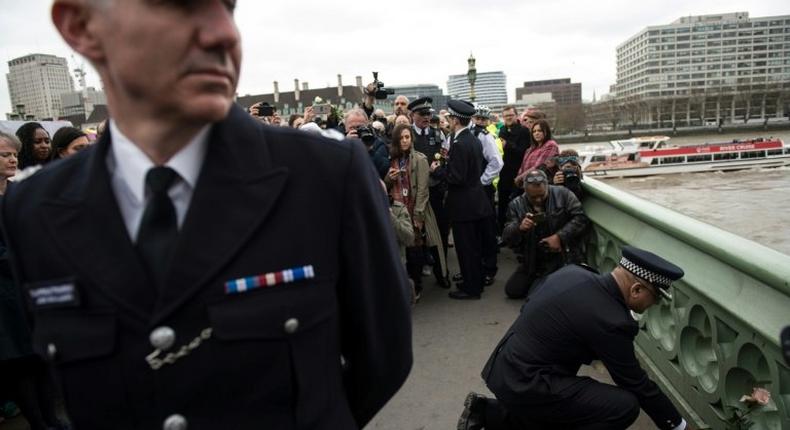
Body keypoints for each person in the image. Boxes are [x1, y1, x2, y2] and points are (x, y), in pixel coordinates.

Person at [1, 1, 413, 429]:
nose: (222, 33)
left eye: (227, 7)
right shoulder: (34, 209)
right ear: (80, 26)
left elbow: (384, 359)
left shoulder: (325, 175)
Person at [458, 246, 690, 430]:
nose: (654, 305)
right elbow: (636, 384)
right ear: (636, 290)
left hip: (502, 366)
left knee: (571, 401)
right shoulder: (612, 320)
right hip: (525, 383)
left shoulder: (574, 272)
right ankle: (497, 414)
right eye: (655, 298)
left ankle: (487, 414)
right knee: (622, 406)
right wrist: (678, 425)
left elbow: (529, 302)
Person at [501, 170, 589, 299]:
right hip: (533, 260)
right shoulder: (516, 204)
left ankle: (549, 285)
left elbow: (581, 218)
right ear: (525, 191)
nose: (538, 200)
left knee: (536, 295)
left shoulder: (563, 194)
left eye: (542, 196)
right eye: (533, 197)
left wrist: (559, 237)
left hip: (562, 256)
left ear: (548, 186)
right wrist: (519, 228)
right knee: (513, 290)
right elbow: (507, 236)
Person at [385, 124, 446, 301]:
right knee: (398, 250)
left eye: (407, 137)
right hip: (396, 211)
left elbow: (422, 190)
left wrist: (418, 215)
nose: (404, 141)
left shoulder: (420, 159)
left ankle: (416, 287)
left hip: (414, 209)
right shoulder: (391, 159)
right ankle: (401, 286)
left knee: (414, 250)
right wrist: (389, 178)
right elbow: (383, 186)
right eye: (401, 138)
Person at [441, 100, 493, 300]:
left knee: (466, 248)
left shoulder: (460, 143)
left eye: (450, 118)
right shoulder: (472, 139)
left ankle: (471, 289)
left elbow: (457, 177)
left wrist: (439, 170)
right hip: (475, 201)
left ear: (455, 120)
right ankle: (475, 281)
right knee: (474, 246)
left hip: (464, 205)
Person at [408, 97, 450, 287]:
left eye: (428, 114)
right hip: (415, 194)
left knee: (440, 233)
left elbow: (444, 158)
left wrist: (438, 169)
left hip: (435, 191)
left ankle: (442, 272)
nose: (426, 117)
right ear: (412, 115)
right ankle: (416, 278)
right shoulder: (406, 135)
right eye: (422, 114)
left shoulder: (437, 133)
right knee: (417, 235)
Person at [496, 106, 530, 236]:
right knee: (502, 204)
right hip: (503, 173)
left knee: (518, 205)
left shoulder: (524, 131)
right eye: (505, 116)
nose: (508, 118)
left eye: (510, 115)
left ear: (516, 116)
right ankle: (502, 233)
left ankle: (518, 235)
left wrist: (508, 145)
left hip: (518, 173)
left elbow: (524, 152)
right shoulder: (502, 130)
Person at [344, 108, 389, 179]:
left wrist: (368, 151)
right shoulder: (339, 145)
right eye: (352, 128)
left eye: (360, 127)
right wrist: (346, 147)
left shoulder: (376, 143)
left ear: (367, 126)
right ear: (345, 128)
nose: (356, 130)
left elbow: (383, 169)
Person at [515, 119, 558, 186]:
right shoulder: (530, 149)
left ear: (546, 131)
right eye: (534, 131)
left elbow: (539, 166)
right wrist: (519, 177)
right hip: (527, 184)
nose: (536, 133)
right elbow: (522, 167)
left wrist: (520, 178)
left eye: (539, 131)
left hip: (542, 185)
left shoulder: (551, 145)